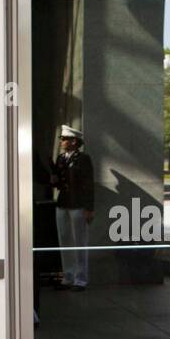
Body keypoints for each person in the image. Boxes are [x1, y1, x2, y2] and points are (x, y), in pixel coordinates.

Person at [52, 125, 94, 291]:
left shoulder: (83, 159)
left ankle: (80, 279)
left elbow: (88, 184)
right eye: (62, 139)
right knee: (64, 240)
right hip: (63, 203)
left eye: (64, 139)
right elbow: (59, 181)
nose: (61, 141)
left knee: (79, 241)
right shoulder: (61, 158)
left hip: (78, 204)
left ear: (74, 142)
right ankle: (67, 277)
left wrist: (89, 208)